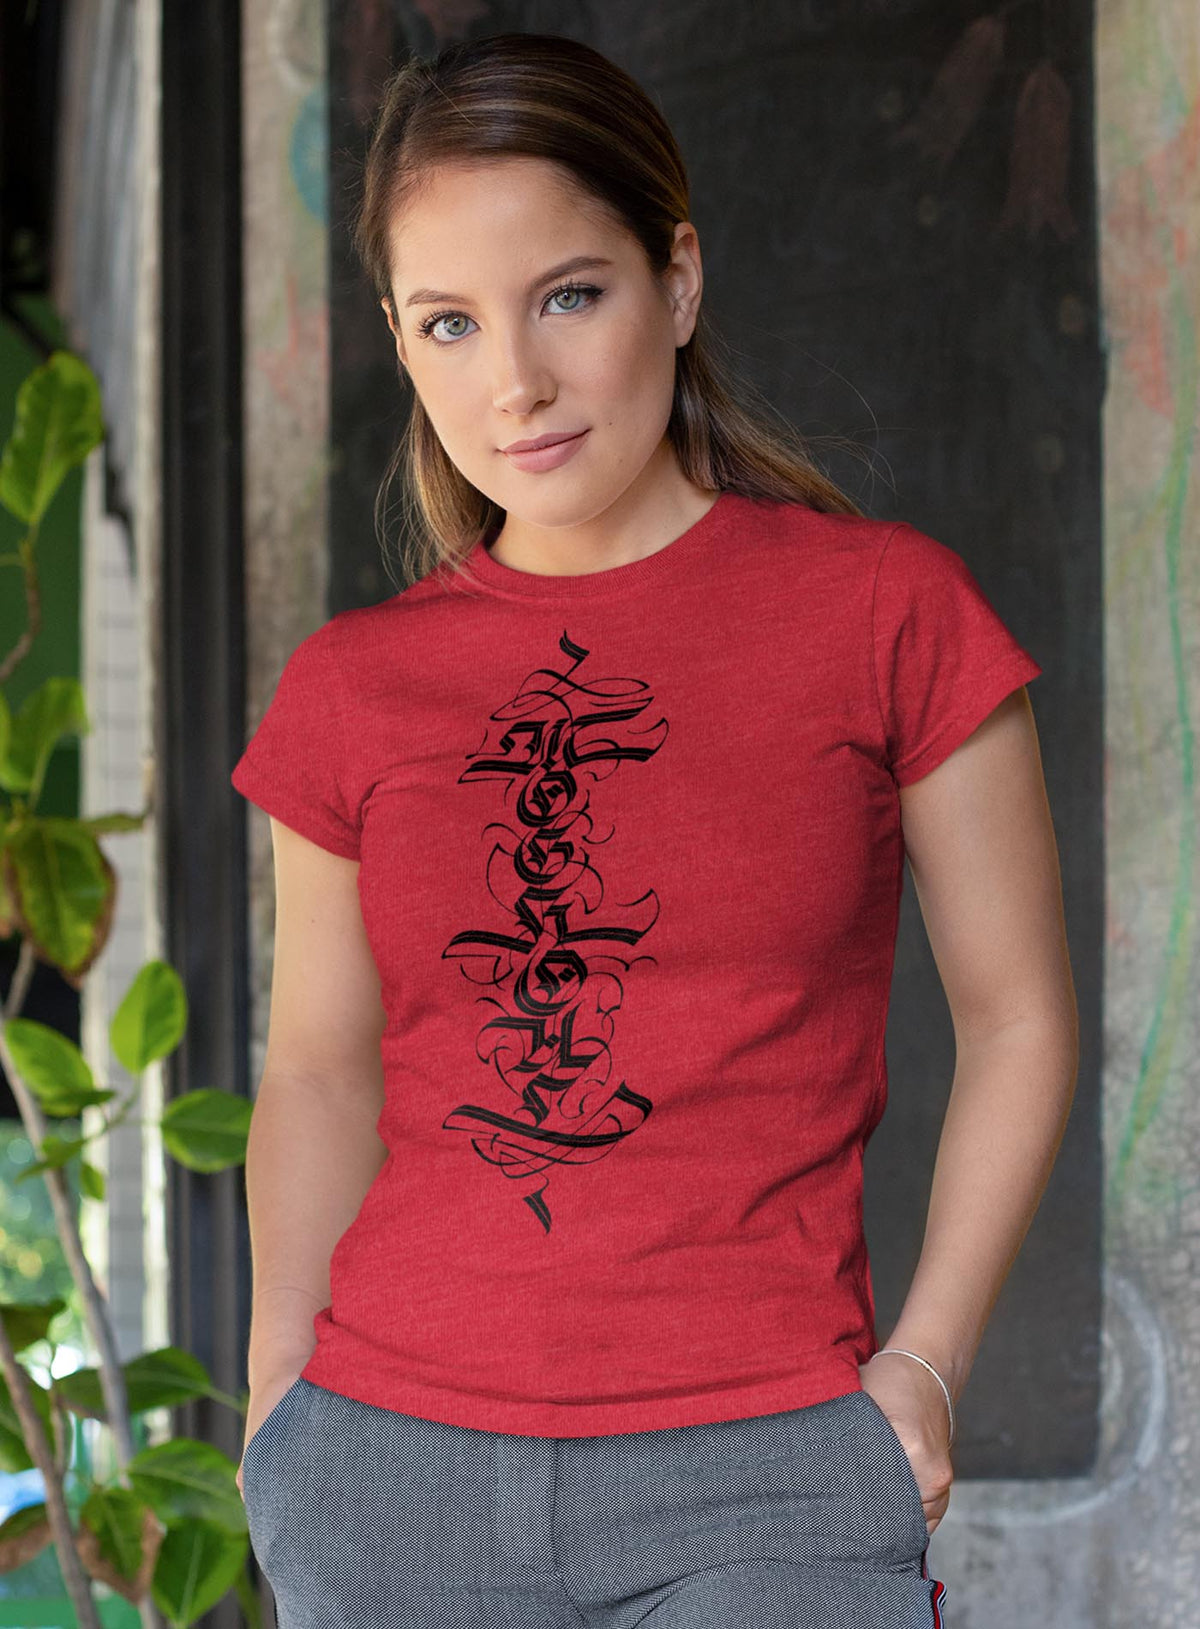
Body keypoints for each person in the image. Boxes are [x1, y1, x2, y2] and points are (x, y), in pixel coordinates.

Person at [229, 31, 1078, 1629]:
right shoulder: (352, 686)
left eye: (570, 295)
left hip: (772, 1470)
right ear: (401, 345)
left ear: (676, 280)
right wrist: (283, 1393)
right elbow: (322, 1067)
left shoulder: (890, 611)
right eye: (449, 324)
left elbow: (1021, 1016)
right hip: (388, 1471)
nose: (516, 385)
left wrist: (927, 1366)